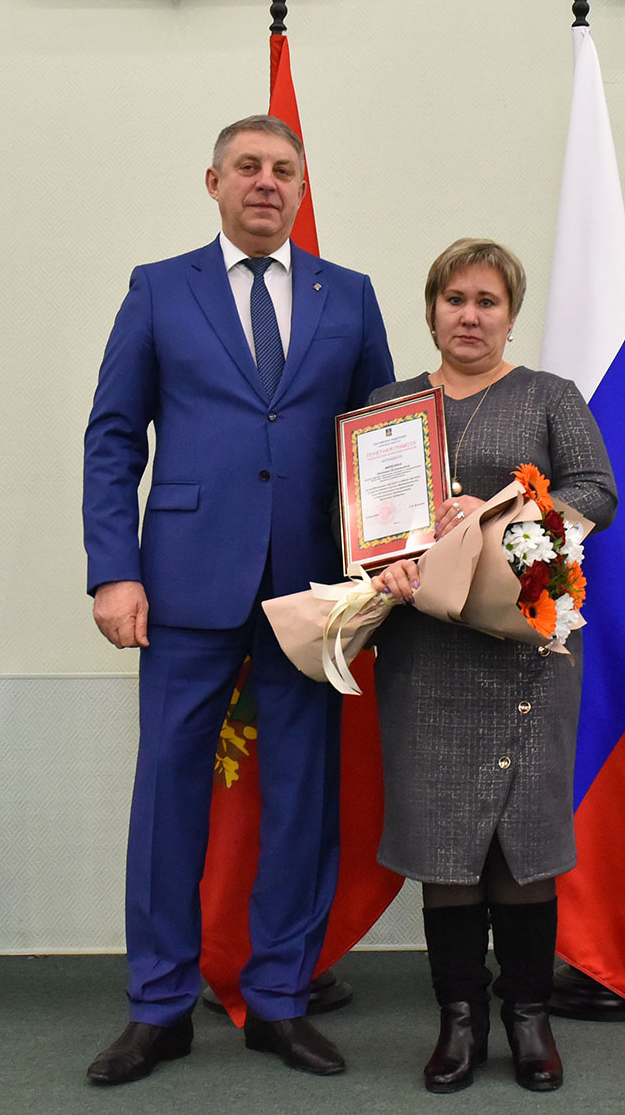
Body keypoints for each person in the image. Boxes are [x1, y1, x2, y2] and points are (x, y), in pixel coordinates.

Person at [80, 115, 395, 1084]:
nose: (266, 182)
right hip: (183, 581)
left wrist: (384, 567)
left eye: (284, 169)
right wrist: (114, 568)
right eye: (248, 167)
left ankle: (281, 1001)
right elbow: (114, 435)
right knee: (168, 799)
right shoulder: (158, 288)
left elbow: (381, 440)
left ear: (303, 188)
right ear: (212, 181)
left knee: (302, 799)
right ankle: (159, 1007)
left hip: (314, 590)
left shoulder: (350, 295)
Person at [369, 238, 617, 1094]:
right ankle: (459, 1020)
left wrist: (508, 514)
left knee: (523, 848)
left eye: (487, 302)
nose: (469, 316)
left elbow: (597, 491)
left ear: (511, 316)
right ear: (431, 310)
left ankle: (529, 1018)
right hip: (426, 654)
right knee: (445, 846)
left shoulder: (551, 397)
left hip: (526, 654)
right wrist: (380, 564)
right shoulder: (388, 408)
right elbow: (356, 519)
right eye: (455, 300)